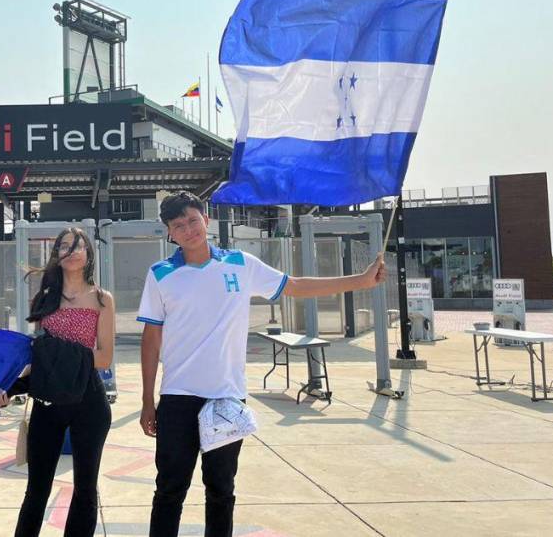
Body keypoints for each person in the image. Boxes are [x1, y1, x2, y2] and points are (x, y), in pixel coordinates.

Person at [137, 192, 385, 537]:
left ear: (206, 220)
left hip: (226, 398)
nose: (189, 229)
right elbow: (151, 339)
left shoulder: (241, 264)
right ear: (170, 234)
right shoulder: (161, 274)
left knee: (221, 490)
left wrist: (360, 280)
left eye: (193, 220)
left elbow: (294, 286)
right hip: (178, 397)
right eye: (179, 225)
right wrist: (148, 399)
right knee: (169, 489)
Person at [1, 227, 115, 537]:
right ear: (57, 255)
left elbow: (104, 358)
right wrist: (10, 387)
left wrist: (55, 353)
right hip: (48, 402)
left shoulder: (102, 299)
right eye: (65, 245)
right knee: (36, 489)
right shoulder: (45, 298)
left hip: (89, 402)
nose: (73, 250)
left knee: (85, 490)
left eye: (79, 245)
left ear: (89, 254)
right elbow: (38, 357)